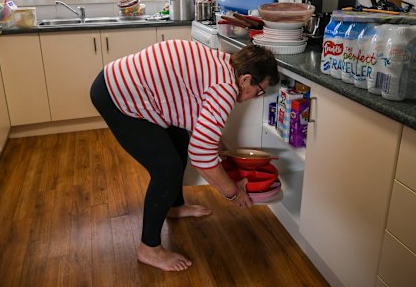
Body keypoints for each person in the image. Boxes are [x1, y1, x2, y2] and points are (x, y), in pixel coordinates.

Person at [90, 39, 279, 272]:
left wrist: (212, 141)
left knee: (179, 139)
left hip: (122, 84)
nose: (254, 97)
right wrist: (233, 193)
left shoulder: (222, 62)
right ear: (246, 79)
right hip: (116, 97)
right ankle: (148, 248)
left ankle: (174, 206)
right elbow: (201, 156)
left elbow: (192, 109)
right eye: (259, 91)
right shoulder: (227, 87)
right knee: (166, 169)